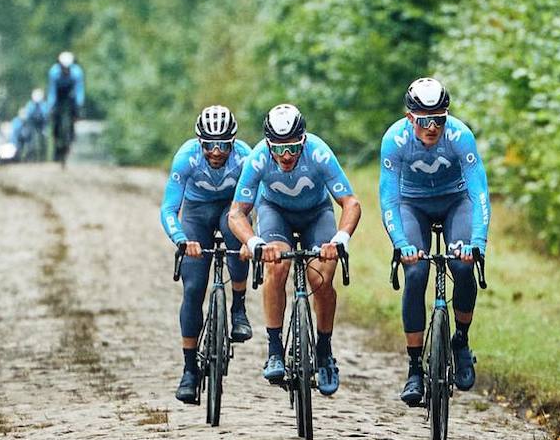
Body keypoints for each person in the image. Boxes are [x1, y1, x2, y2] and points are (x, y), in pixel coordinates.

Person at [228, 104, 362, 396]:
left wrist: (340, 239)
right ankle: (275, 350)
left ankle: (325, 352)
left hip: (316, 214)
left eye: (292, 149)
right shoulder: (259, 158)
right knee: (276, 267)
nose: (285, 157)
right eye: (278, 149)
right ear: (267, 144)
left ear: (302, 141)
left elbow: (350, 203)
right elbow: (237, 212)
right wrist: (255, 243)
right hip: (276, 212)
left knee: (321, 279)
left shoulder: (318, 152)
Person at [379, 77, 491, 403]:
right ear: (410, 117)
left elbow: (478, 191)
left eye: (439, 120)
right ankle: (415, 368)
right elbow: (388, 198)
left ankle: (461, 341)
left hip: (456, 202)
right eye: (425, 121)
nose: (432, 128)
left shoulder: (460, 136)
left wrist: (478, 243)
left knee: (462, 265)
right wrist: (401, 243)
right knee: (415, 273)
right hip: (412, 205)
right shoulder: (394, 140)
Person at [159, 107, 254, 403]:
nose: (215, 152)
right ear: (199, 143)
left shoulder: (245, 157)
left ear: (233, 142)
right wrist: (181, 239)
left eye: (223, 144)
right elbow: (168, 209)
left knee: (236, 241)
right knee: (193, 287)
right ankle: (189, 370)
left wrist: (251, 237)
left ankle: (238, 308)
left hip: (231, 207)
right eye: (209, 145)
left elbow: (257, 201)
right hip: (196, 213)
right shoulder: (186, 158)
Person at [46, 51, 85, 165]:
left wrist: (79, 104)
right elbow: (52, 90)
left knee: (75, 112)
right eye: (63, 68)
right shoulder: (53, 72)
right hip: (58, 95)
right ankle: (56, 138)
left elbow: (79, 90)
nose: (65, 70)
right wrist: (51, 105)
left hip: (70, 95)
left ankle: (71, 135)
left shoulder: (77, 72)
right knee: (55, 117)